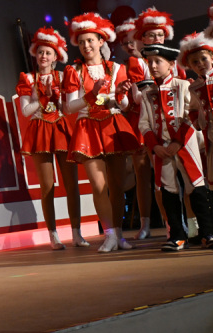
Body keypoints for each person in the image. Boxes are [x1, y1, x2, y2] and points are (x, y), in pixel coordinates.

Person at [63, 13, 140, 253]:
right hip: (87, 128)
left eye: (90, 40)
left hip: (113, 125)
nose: (86, 45)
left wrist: (121, 94)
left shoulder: (117, 68)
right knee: (98, 185)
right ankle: (109, 235)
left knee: (117, 186)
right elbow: (69, 107)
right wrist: (91, 95)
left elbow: (123, 106)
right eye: (81, 42)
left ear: (100, 41)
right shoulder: (74, 71)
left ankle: (119, 235)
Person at [138, 43, 213, 251]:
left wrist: (178, 142)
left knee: (196, 187)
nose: (153, 66)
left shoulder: (184, 86)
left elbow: (191, 115)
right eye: (150, 62)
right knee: (168, 191)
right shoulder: (147, 93)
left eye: (158, 62)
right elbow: (144, 123)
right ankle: (177, 236)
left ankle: (207, 232)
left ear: (171, 64)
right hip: (161, 151)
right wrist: (155, 146)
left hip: (184, 146)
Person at [16, 27, 87, 250]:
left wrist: (56, 97)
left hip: (61, 129)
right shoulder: (28, 78)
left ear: (56, 56)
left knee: (71, 184)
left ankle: (76, 233)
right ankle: (53, 235)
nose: (43, 56)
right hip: (40, 130)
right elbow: (25, 111)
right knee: (47, 186)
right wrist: (43, 98)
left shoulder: (64, 76)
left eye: (48, 53)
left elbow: (68, 107)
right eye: (40, 52)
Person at [129, 8, 186, 239]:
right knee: (157, 179)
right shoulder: (137, 63)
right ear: (142, 38)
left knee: (189, 178)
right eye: (151, 35)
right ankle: (168, 226)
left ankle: (191, 225)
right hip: (149, 122)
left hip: (177, 125)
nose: (156, 38)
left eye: (160, 34)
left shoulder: (174, 59)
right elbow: (136, 98)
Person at [115, 17, 160, 240]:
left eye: (133, 40)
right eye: (125, 43)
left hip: (161, 118)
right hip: (138, 120)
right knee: (142, 175)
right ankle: (145, 224)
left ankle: (177, 222)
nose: (130, 45)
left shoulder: (161, 59)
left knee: (164, 174)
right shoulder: (129, 65)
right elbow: (133, 100)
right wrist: (121, 96)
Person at [180, 30, 213, 183]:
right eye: (195, 62)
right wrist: (198, 122)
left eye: (203, 59)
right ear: (189, 66)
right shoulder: (194, 87)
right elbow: (193, 109)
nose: (200, 63)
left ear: (212, 58)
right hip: (210, 133)